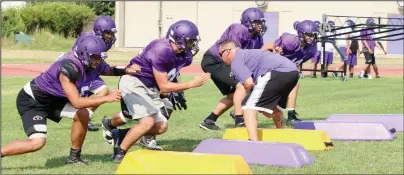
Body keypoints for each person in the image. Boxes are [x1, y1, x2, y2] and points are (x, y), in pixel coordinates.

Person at [0, 35, 125, 165]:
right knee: (37, 143)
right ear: (84, 54)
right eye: (95, 57)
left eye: (99, 57)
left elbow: (110, 70)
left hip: (54, 99)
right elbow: (76, 102)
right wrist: (106, 98)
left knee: (83, 114)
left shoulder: (88, 61)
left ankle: (74, 158)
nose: (97, 61)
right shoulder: (69, 66)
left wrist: (129, 70)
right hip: (33, 101)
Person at [100, 20, 211, 162]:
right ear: (178, 39)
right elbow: (164, 86)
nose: (193, 46)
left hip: (151, 87)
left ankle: (121, 135)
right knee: (147, 121)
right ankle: (120, 153)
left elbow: (172, 72)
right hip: (134, 81)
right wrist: (190, 84)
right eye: (190, 42)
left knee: (161, 126)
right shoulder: (161, 49)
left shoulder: (185, 55)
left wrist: (177, 90)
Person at [199, 7, 267, 130]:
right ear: (248, 22)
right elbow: (232, 55)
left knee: (235, 94)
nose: (260, 26)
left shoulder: (257, 38)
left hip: (228, 62)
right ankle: (239, 120)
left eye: (261, 23)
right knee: (242, 85)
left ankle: (209, 120)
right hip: (216, 60)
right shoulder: (238, 30)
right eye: (257, 22)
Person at [219, 40, 299, 141]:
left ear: (227, 52)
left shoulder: (236, 61)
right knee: (275, 107)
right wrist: (261, 105)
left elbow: (248, 83)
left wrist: (256, 103)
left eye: (220, 54)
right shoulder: (248, 54)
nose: (220, 57)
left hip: (277, 72)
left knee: (248, 105)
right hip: (293, 73)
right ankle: (282, 136)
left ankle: (253, 142)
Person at [262, 20, 318, 126]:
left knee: (295, 83)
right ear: (301, 34)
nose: (311, 37)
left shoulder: (311, 49)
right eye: (308, 35)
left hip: (282, 69)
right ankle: (242, 111)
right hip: (269, 65)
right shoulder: (290, 41)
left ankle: (291, 114)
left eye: (313, 35)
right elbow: (269, 46)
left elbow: (296, 61)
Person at [71, 16, 118, 131]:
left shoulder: (103, 41)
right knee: (75, 98)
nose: (110, 36)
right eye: (107, 33)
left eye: (111, 33)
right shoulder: (87, 39)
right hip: (81, 71)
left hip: (92, 70)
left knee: (103, 90)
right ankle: (81, 116)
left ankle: (86, 117)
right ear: (99, 30)